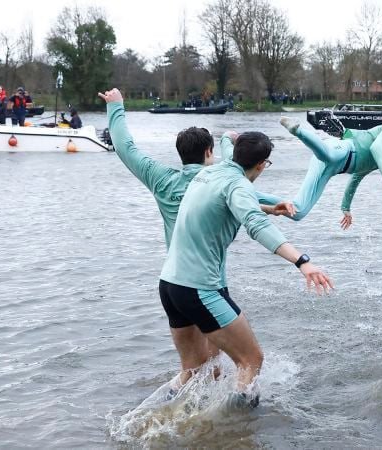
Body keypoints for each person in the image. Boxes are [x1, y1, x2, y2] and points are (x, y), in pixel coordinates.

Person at [98, 88, 297, 393]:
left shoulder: (161, 178)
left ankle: (171, 410)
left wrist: (116, 107)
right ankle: (232, 416)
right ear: (208, 153)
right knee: (229, 362)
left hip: (173, 280)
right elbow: (238, 198)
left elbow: (126, 147)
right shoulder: (216, 178)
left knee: (194, 369)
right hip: (206, 281)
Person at [159, 130, 333, 407]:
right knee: (251, 360)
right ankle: (237, 425)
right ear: (262, 164)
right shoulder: (239, 185)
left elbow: (225, 201)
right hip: (199, 288)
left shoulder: (208, 173)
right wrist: (303, 262)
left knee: (195, 371)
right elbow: (257, 226)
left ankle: (161, 412)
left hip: (170, 285)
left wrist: (269, 208)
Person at [274, 117, 382, 227]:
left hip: (332, 168)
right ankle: (297, 130)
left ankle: (260, 202)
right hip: (343, 149)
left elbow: (358, 175)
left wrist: (346, 208)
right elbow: (376, 148)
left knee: (298, 212)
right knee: (328, 155)